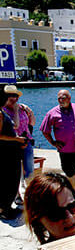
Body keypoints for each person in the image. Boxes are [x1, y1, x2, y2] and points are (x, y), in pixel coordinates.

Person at [0, 87, 28, 219]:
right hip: (6, 153)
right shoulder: (0, 114)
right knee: (10, 180)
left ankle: (6, 207)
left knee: (11, 179)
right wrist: (16, 139)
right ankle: (4, 209)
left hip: (11, 151)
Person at [2, 85, 36, 186]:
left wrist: (30, 112)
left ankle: (30, 194)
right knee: (14, 172)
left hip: (26, 141)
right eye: (11, 96)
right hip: (12, 144)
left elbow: (32, 123)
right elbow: (15, 126)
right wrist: (16, 110)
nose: (14, 99)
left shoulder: (22, 108)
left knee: (29, 171)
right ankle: (16, 195)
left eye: (16, 96)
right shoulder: (3, 111)